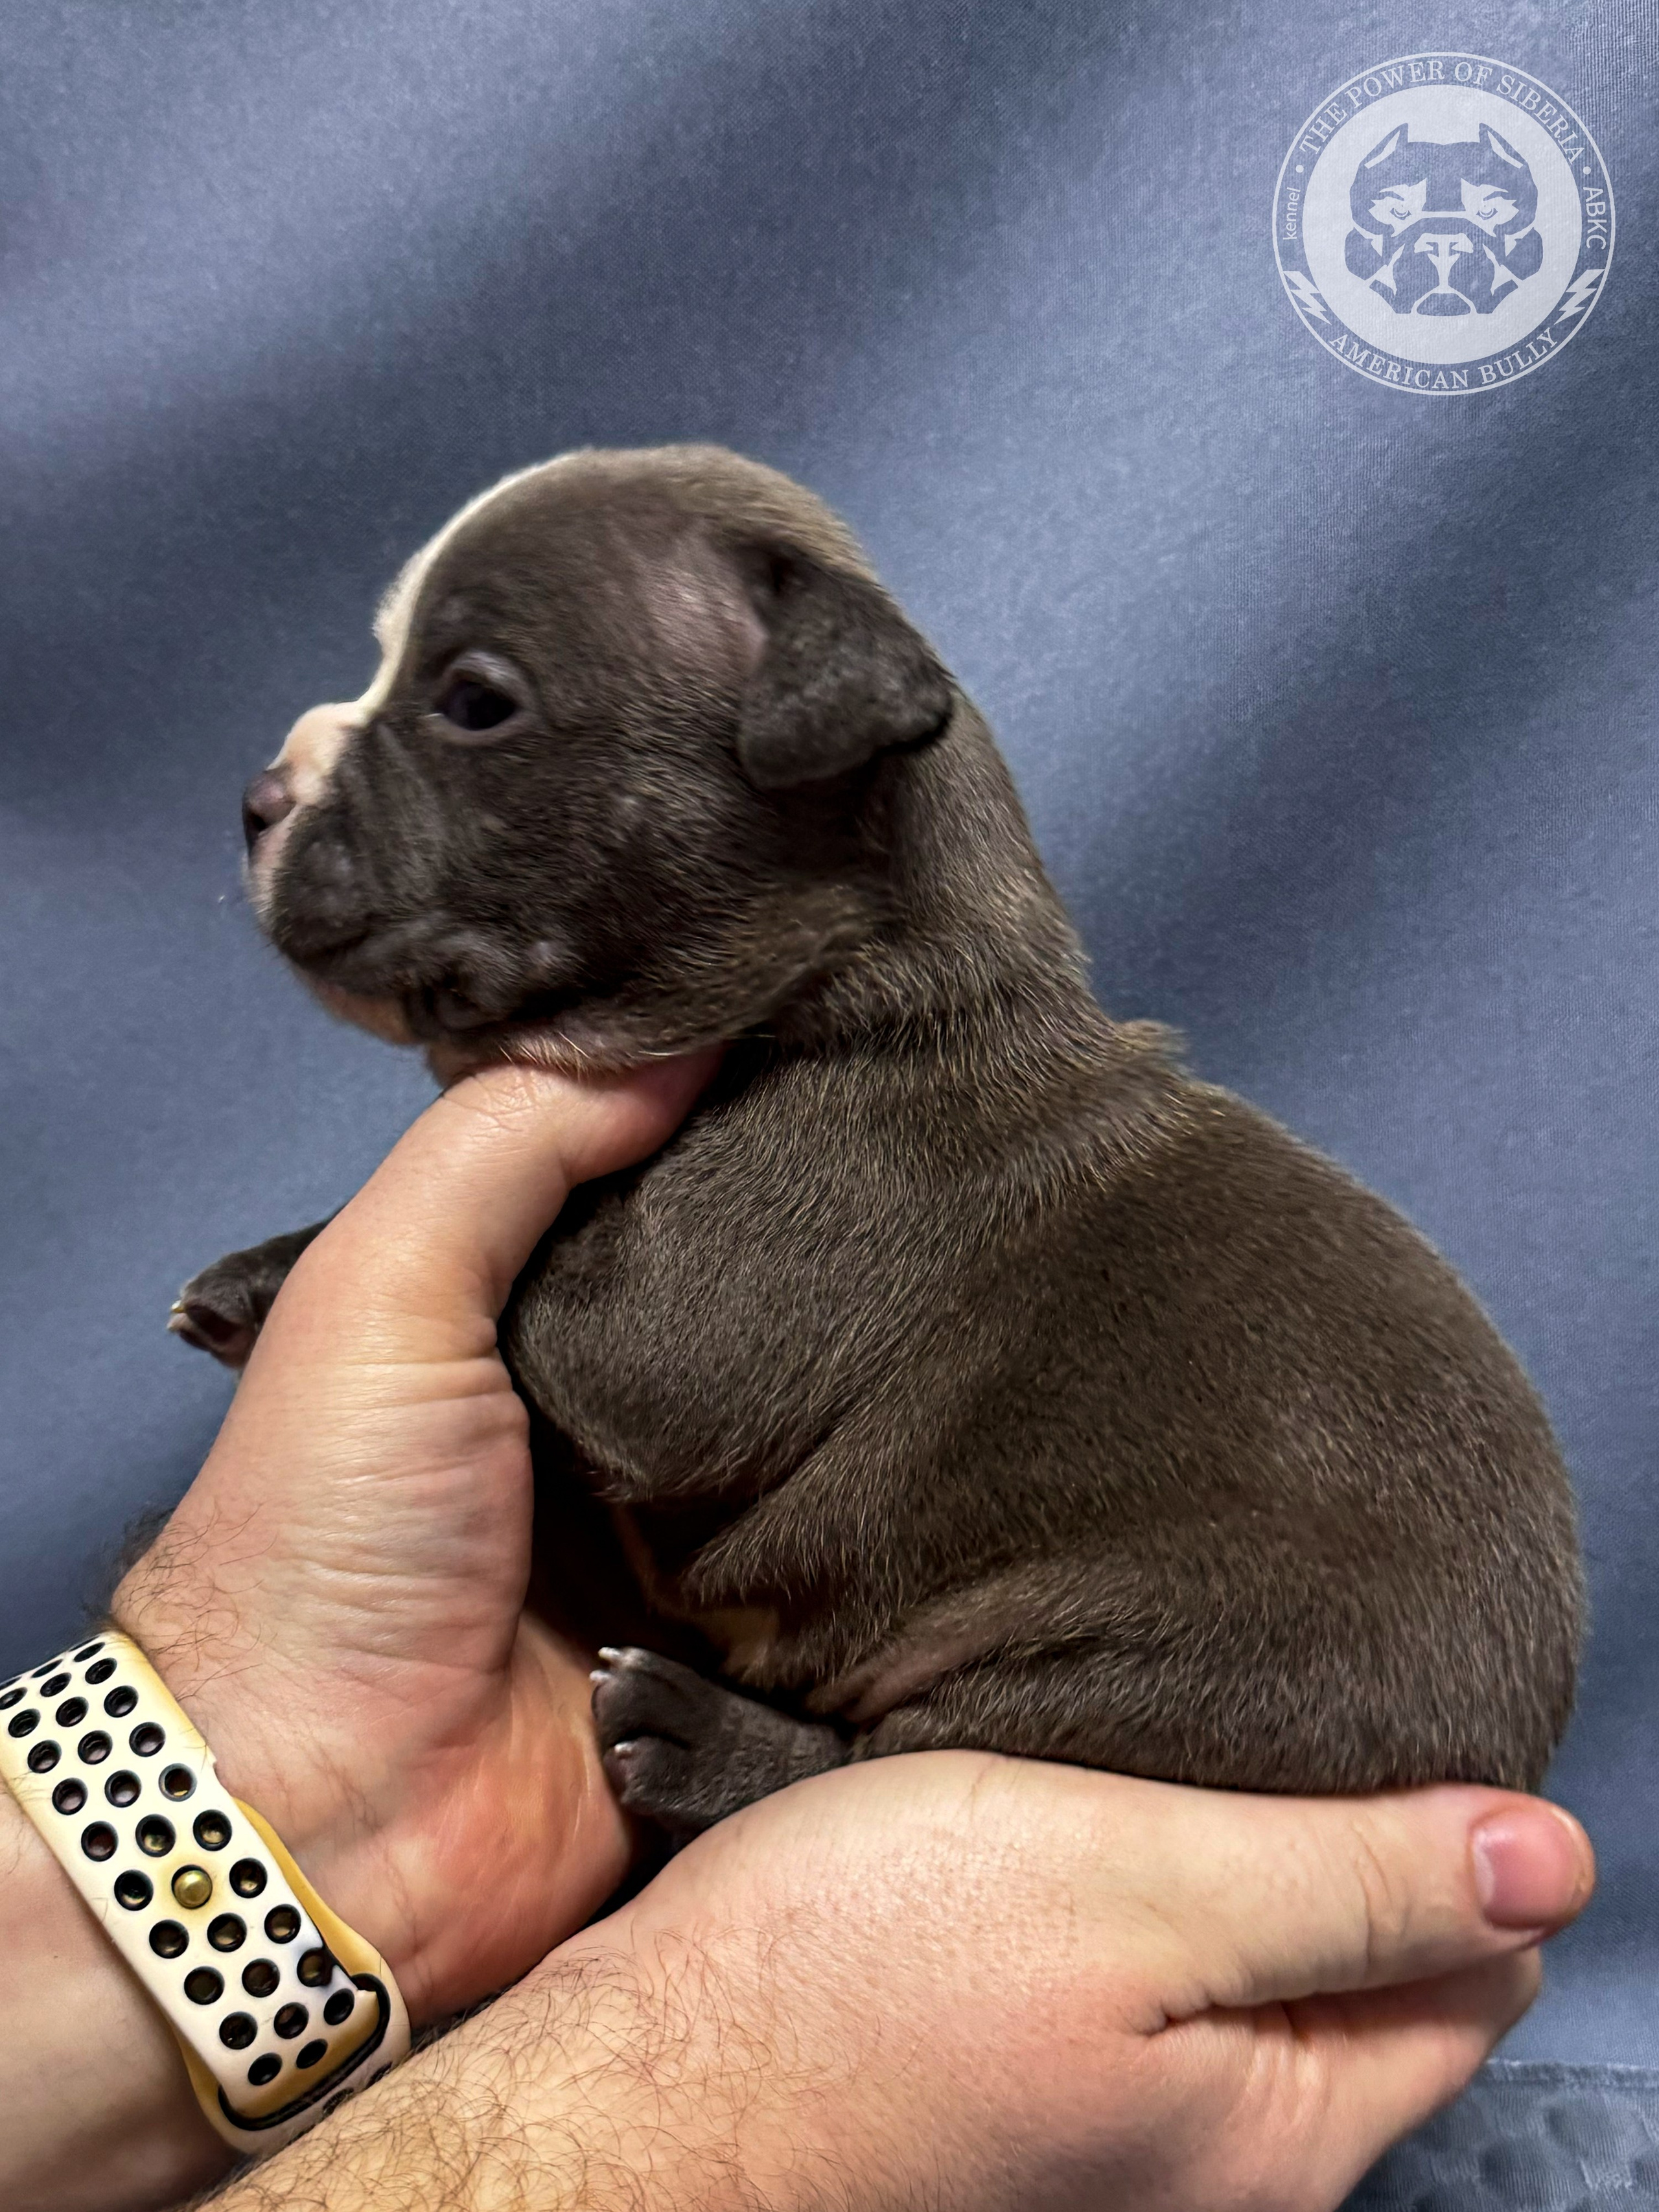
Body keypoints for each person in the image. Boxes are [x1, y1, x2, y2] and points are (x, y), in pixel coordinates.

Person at [0, 1061, 1594, 2212]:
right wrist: (702, 2127)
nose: (296, 785)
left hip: (1244, 1701)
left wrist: (284, 1799)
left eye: (475, 711)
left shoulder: (885, 1111)